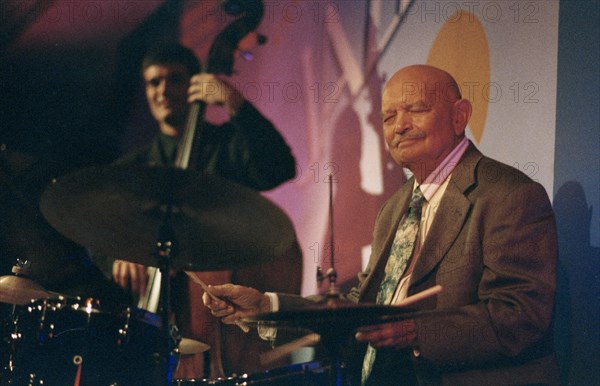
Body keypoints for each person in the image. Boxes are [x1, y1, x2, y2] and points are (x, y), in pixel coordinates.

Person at [203, 64, 560, 385]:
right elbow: (360, 305)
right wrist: (268, 307)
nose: (400, 126)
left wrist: (417, 332)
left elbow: (521, 315)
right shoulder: (395, 206)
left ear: (459, 116)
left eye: (416, 110)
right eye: (388, 118)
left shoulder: (508, 194)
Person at [97, 42, 302, 379]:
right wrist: (117, 255)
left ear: (195, 84)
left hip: (229, 341)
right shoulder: (132, 171)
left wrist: (235, 103)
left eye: (175, 79)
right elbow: (92, 228)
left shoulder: (225, 149)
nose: (163, 90)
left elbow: (279, 166)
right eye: (153, 82)